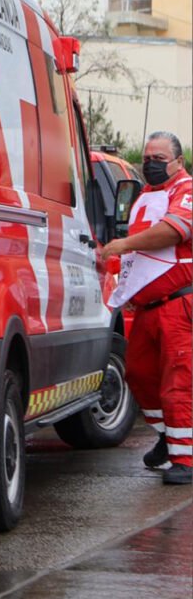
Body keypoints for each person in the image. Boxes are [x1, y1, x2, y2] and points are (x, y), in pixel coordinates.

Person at [100, 131, 192, 485]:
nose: (150, 164)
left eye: (159, 159)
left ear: (178, 162)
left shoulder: (186, 191)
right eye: (147, 158)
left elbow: (173, 231)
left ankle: (185, 459)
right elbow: (139, 255)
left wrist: (123, 245)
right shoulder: (146, 195)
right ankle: (169, 437)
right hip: (147, 308)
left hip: (178, 305)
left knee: (179, 382)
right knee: (139, 373)